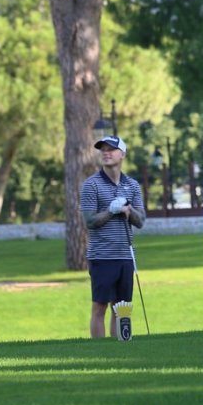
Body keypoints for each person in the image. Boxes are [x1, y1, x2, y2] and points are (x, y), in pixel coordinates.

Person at [81, 134, 146, 338]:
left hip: (126, 256)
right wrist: (111, 211)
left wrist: (128, 211)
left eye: (111, 149)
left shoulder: (132, 185)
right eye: (103, 149)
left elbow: (140, 220)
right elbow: (89, 221)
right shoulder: (91, 185)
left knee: (122, 308)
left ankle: (120, 348)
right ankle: (100, 352)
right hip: (102, 256)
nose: (106, 153)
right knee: (100, 306)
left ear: (122, 154)